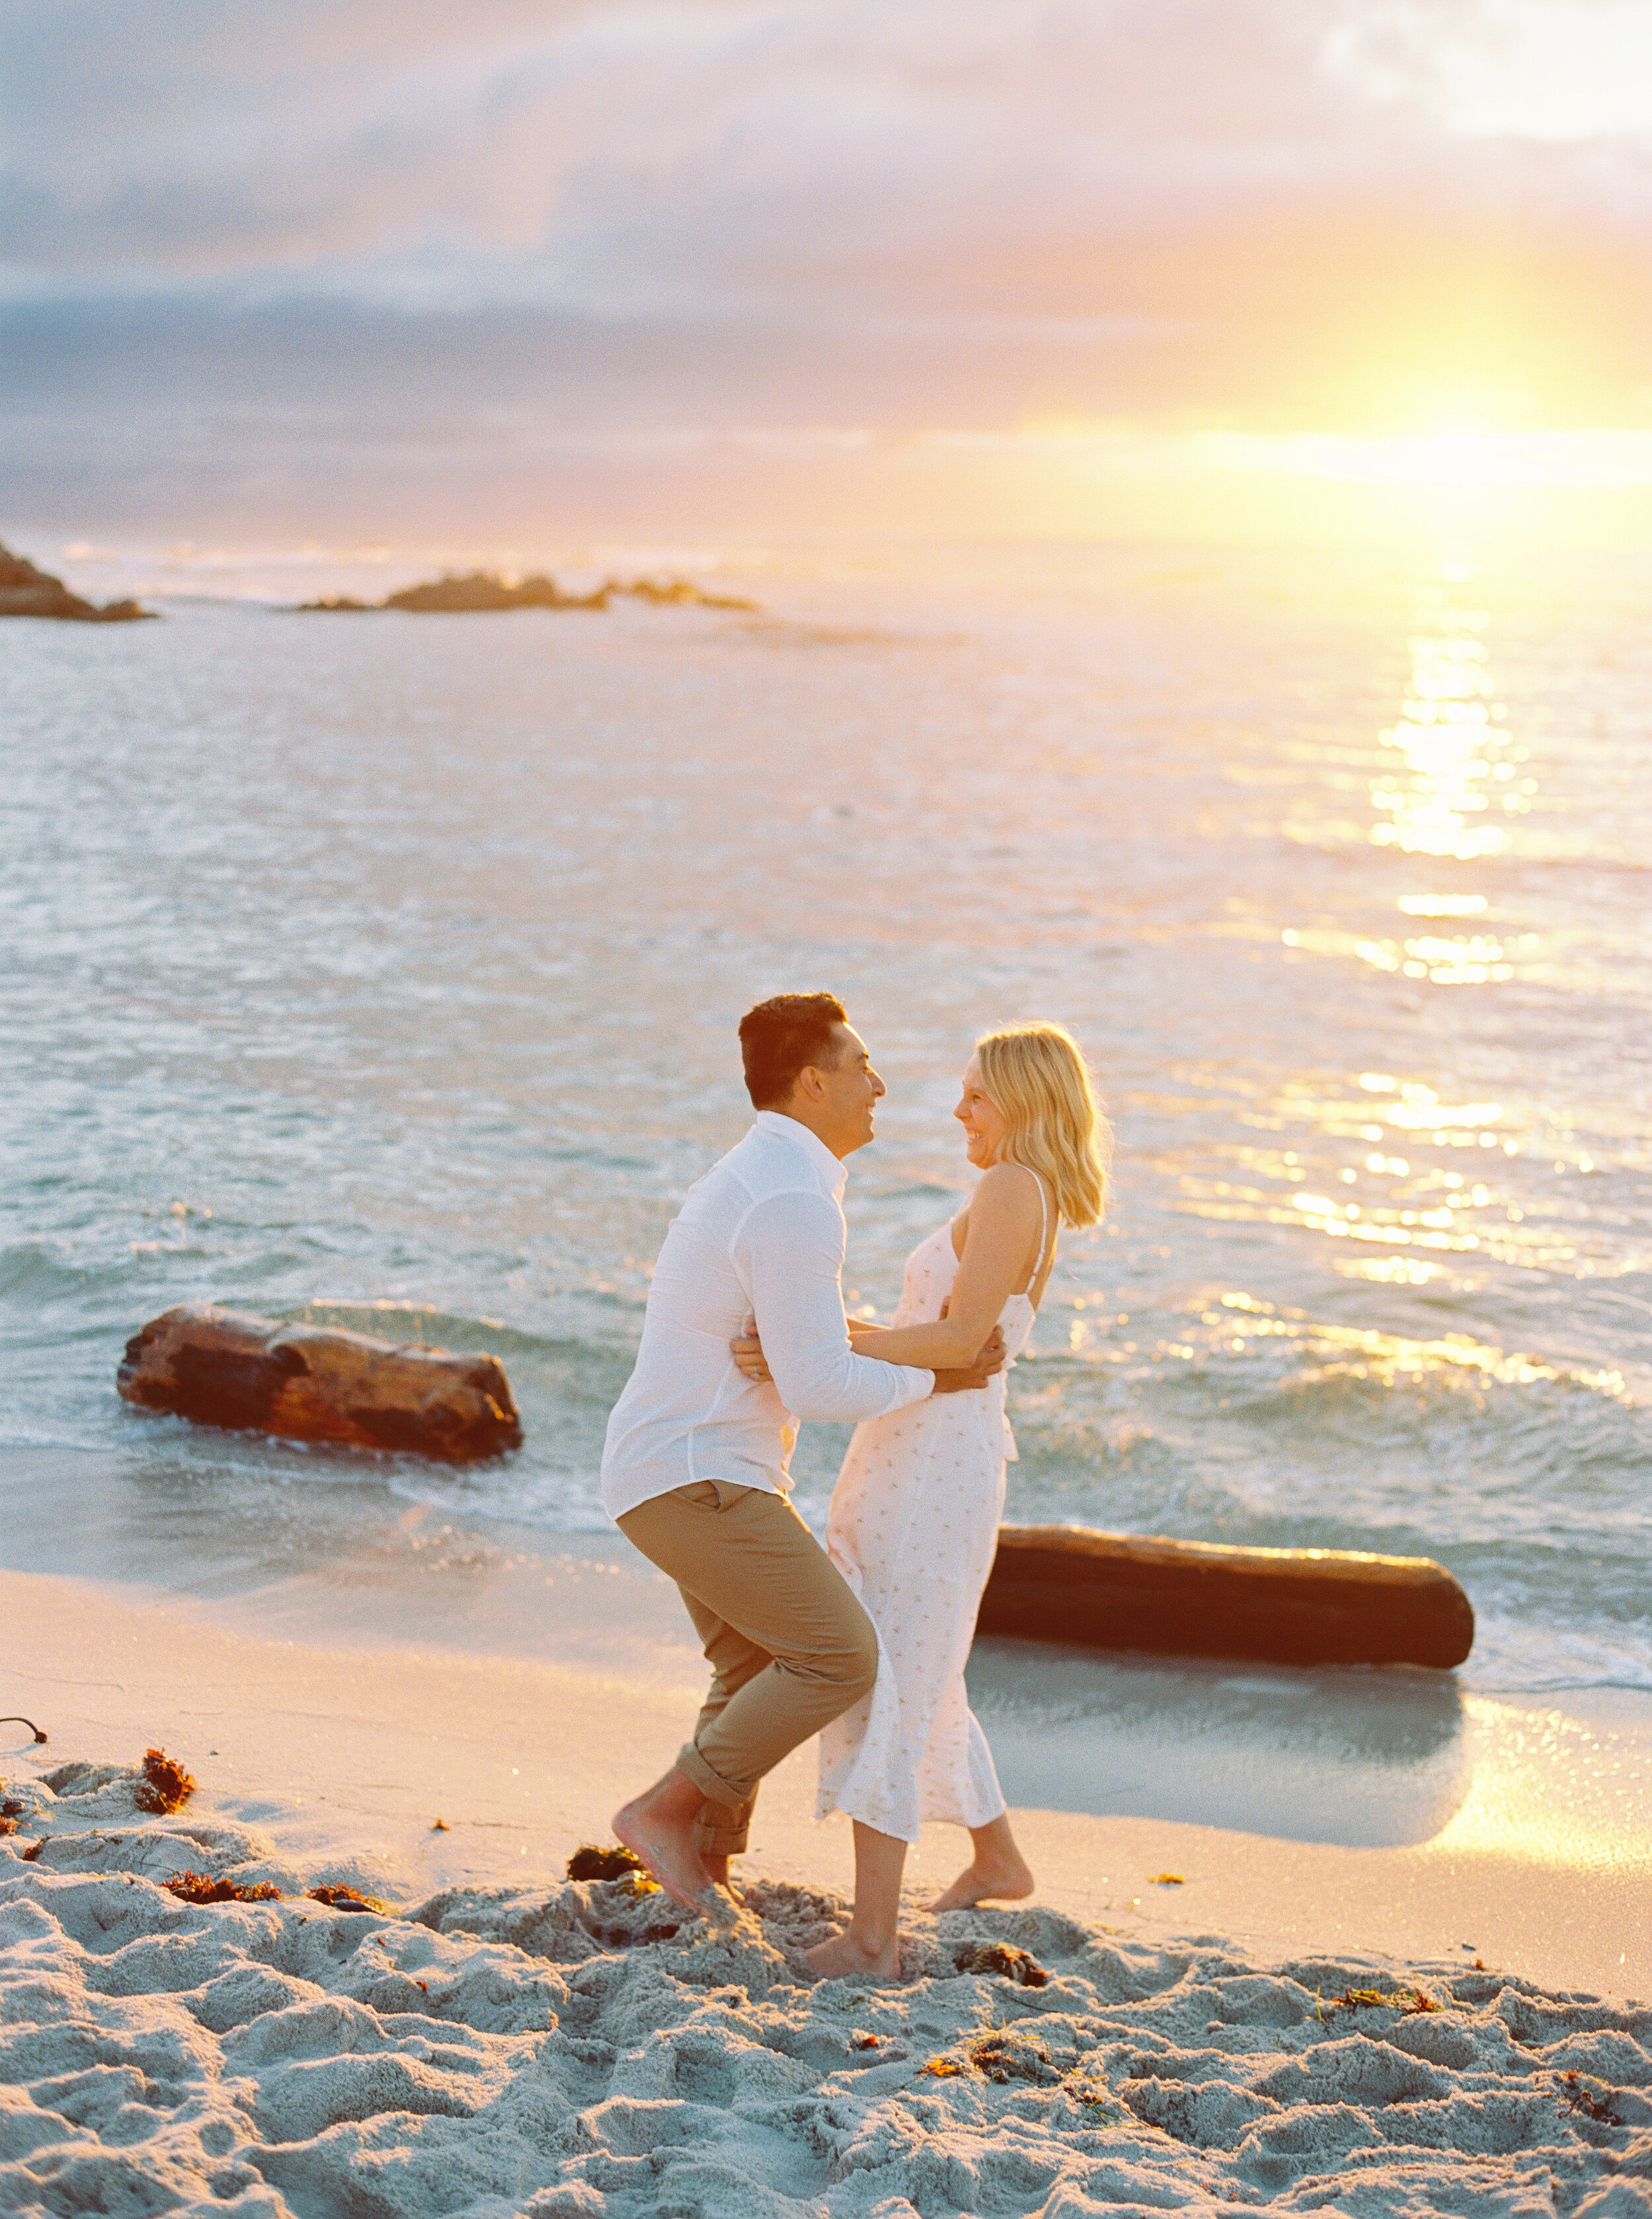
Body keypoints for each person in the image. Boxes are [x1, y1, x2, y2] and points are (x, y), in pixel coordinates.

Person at [601, 992, 1007, 1914]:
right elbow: (822, 1385)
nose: (881, 1084)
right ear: (812, 1080)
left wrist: (811, 1358)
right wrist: (937, 1380)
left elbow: (802, 1362)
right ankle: (663, 1811)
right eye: (862, 1066)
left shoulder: (772, 1178)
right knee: (837, 1655)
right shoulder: (791, 1197)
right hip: (696, 1474)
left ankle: (701, 1865)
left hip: (673, 1468)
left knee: (752, 1662)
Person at [733, 1021, 1109, 1977]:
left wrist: (819, 1337)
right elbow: (949, 1341)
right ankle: (997, 1855)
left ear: (1021, 1103)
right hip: (923, 1449)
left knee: (890, 1671)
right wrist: (836, 1338)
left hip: (936, 1461)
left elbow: (958, 1343)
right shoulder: (1022, 1191)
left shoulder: (1013, 1187)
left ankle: (872, 1939)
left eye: (976, 1093)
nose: (957, 1109)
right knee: (919, 1659)